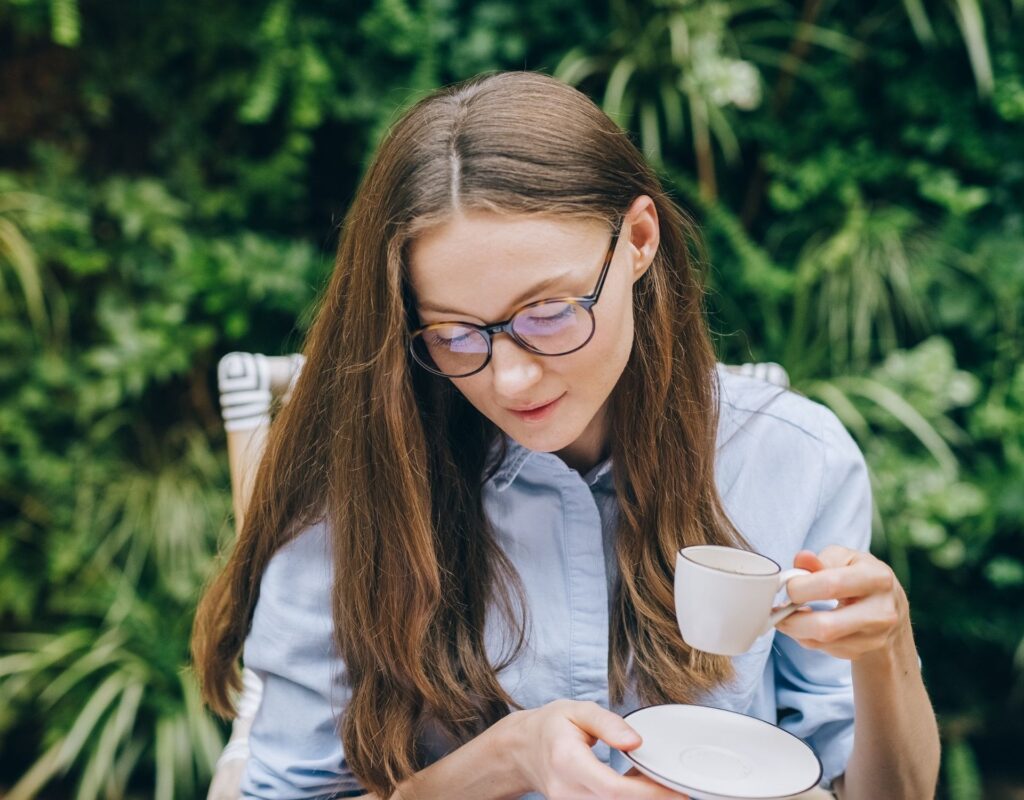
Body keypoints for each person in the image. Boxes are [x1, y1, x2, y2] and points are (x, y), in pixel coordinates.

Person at [190, 70, 941, 800]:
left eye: (548, 314)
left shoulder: (791, 458)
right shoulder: (357, 488)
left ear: (640, 239)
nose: (510, 381)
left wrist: (888, 651)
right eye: (454, 335)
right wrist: (510, 758)